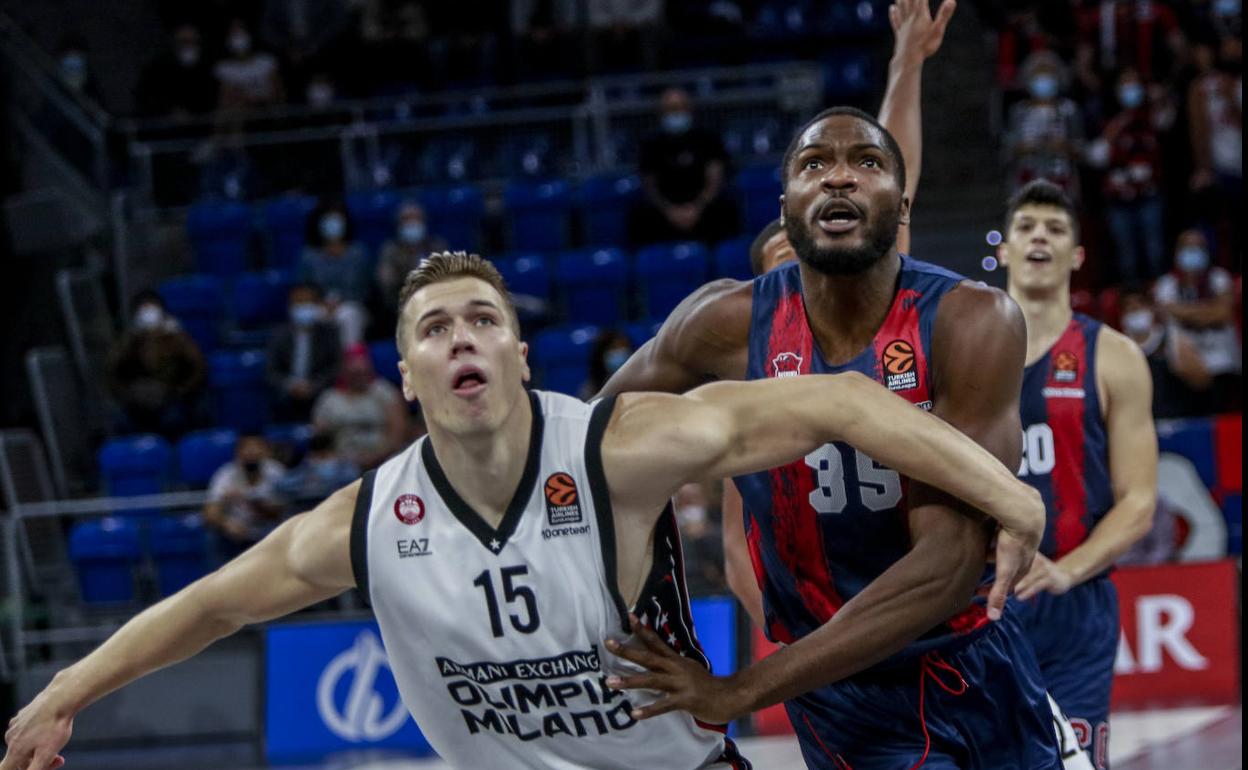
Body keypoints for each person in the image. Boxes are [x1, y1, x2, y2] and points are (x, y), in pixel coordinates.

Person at [2, 252, 1046, 770]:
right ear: (406, 376)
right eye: (434, 329)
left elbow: (842, 401)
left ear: (519, 352)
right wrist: (65, 690)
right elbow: (213, 604)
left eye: (482, 319)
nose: (461, 337)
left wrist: (1008, 496)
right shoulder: (368, 519)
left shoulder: (611, 449)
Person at [598, 105, 1061, 769]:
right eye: (813, 164)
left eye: (866, 162)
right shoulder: (722, 324)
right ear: (786, 206)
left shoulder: (972, 321)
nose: (838, 177)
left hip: (977, 656)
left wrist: (744, 689)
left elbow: (949, 562)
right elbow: (586, 441)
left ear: (903, 204)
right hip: (843, 696)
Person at [996, 179, 1158, 770]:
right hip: (982, 602)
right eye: (1026, 227)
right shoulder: (963, 351)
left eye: (1056, 229)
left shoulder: (1115, 356)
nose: (1040, 237)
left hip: (1074, 603)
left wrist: (1066, 571)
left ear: (1077, 254)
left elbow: (1138, 501)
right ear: (1005, 250)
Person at [1086, 67, 1171, 283]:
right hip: (1118, 198)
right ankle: (1132, 299)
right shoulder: (1107, 118)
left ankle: (1158, 295)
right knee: (1127, 256)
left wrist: (1160, 97)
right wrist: (1113, 130)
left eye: (1135, 84)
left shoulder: (1152, 116)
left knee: (1155, 251)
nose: (1131, 89)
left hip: (1149, 194)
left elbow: (1167, 119)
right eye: (1126, 84)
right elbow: (1095, 157)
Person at [629, 87, 740, 246]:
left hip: (704, 206)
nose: (675, 113)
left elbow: (715, 177)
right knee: (640, 214)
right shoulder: (651, 143)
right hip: (665, 209)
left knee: (726, 209)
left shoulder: (707, 139)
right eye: (671, 109)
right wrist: (670, 210)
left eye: (680, 108)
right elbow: (649, 184)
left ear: (689, 109)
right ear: (661, 112)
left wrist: (697, 207)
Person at [1152, 228, 1242, 411]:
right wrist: (1210, 310)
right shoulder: (1166, 284)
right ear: (1176, 252)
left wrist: (1180, 310)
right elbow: (1165, 311)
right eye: (1187, 247)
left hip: (1223, 366)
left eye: (1198, 247)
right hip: (1182, 370)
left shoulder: (1220, 277)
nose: (1192, 252)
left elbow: (1223, 313)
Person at [104, 291, 209, 438]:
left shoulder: (178, 338)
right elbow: (113, 369)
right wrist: (127, 395)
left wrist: (179, 391)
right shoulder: (129, 340)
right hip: (137, 401)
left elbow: (197, 367)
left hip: (172, 398)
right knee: (121, 421)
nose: (148, 314)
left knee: (173, 420)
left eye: (152, 309)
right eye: (144, 310)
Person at [1119, 285, 1212, 419]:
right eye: (1129, 308)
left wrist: (1187, 370)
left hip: (1174, 419)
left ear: (1151, 309)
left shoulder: (1173, 340)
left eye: (1140, 306)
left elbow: (1203, 382)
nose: (1135, 310)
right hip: (1138, 421)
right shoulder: (1119, 348)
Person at [311, 343, 408, 469]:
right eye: (355, 374)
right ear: (345, 373)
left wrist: (374, 458)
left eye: (363, 373)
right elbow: (320, 440)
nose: (360, 378)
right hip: (341, 462)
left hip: (383, 459)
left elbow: (398, 434)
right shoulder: (329, 399)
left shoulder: (385, 393)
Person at [1004, 51, 1083, 198]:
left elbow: (1082, 148)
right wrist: (1022, 148)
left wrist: (1065, 147)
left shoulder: (1068, 110)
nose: (1043, 80)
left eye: (1048, 75)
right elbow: (1007, 148)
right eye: (1038, 75)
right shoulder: (1019, 111)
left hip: (1061, 182)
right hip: (1026, 182)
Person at [202, 433, 288, 559]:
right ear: (237, 453)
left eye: (256, 447)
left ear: (265, 451)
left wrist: (250, 500)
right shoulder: (226, 474)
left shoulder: (276, 472)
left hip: (268, 530)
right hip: (236, 532)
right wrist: (226, 523)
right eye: (246, 448)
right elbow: (210, 512)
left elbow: (280, 511)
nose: (251, 452)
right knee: (211, 536)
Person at [298, 198, 371, 345]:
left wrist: (339, 302)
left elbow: (365, 289)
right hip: (319, 305)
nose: (332, 223)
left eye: (336, 218)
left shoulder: (357, 253)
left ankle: (350, 357)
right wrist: (321, 303)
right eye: (327, 219)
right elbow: (302, 288)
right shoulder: (308, 256)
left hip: (351, 305)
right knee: (308, 316)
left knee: (347, 316)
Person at [266, 282, 342, 421]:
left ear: (318, 305)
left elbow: (335, 367)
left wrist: (314, 386)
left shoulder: (330, 333)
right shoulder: (278, 335)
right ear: (290, 306)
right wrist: (289, 386)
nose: (303, 307)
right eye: (299, 302)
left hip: (320, 394)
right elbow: (271, 371)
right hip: (287, 396)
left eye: (308, 302)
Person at [375, 201, 449, 324]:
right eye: (407, 219)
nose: (412, 223)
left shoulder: (437, 246)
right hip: (401, 304)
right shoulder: (390, 250)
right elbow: (386, 281)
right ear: (399, 225)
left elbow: (447, 277)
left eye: (416, 219)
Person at [134, 23, 219, 118]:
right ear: (175, 43)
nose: (188, 46)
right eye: (184, 42)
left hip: (202, 122)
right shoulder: (157, 69)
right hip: (165, 122)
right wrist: (169, 111)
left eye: (193, 42)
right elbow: (146, 98)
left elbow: (214, 100)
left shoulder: (210, 69)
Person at [214, 18, 285, 111]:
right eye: (234, 33)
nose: (238, 36)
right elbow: (226, 99)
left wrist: (262, 101)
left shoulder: (266, 61)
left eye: (241, 30)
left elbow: (278, 92)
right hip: (242, 112)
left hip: (268, 109)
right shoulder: (224, 68)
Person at [274, 431, 358, 506]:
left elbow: (352, 483)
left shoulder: (344, 468)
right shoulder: (305, 467)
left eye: (323, 456)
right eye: (316, 455)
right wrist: (305, 483)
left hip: (336, 505)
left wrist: (324, 483)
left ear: (331, 452)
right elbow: (282, 485)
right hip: (305, 507)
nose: (318, 460)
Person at [579, 329, 635, 400]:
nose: (620, 352)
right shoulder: (590, 388)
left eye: (624, 346)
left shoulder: (639, 383)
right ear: (602, 354)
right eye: (614, 348)